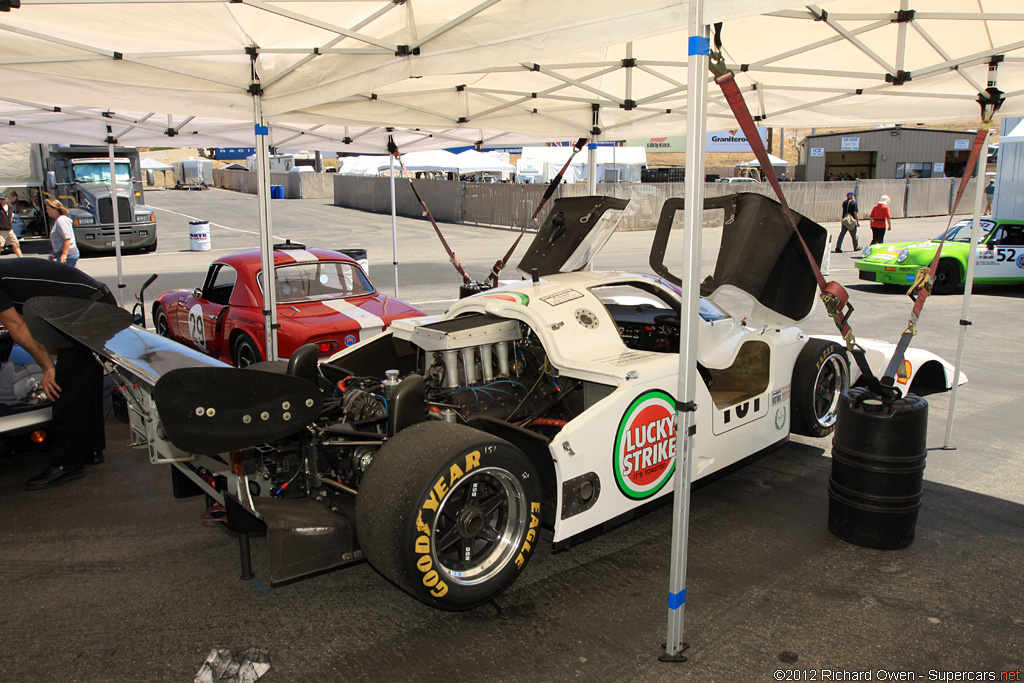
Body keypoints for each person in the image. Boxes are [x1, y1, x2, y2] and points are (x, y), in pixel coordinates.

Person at [0, 259, 115, 490]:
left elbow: (18, 329)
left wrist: (48, 368)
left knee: (64, 388)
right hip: (92, 303)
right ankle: (91, 449)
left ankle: (66, 463)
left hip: (88, 309)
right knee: (84, 382)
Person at [45, 199, 79, 268]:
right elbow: (58, 241)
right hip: (67, 254)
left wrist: (64, 254)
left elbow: (67, 238)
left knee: (60, 275)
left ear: (55, 209)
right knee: (71, 275)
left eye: (48, 209)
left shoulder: (61, 221)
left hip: (68, 254)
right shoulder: (59, 221)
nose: (46, 211)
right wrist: (52, 255)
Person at [0, 193, 24, 258]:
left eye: (3, 199)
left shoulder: (9, 207)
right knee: (0, 245)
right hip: (1, 230)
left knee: (16, 244)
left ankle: (21, 259)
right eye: (0, 199)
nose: (1, 200)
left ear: (6, 199)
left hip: (9, 230)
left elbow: (11, 216)